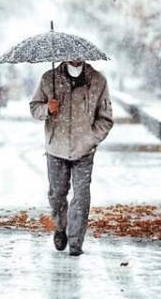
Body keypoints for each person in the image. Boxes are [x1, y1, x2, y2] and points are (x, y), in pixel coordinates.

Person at [30, 60, 114, 256]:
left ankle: (76, 242)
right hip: (56, 148)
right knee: (57, 194)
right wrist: (47, 109)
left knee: (81, 196)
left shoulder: (98, 81)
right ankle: (61, 227)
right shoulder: (49, 79)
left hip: (84, 150)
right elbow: (35, 107)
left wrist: (91, 138)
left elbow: (106, 117)